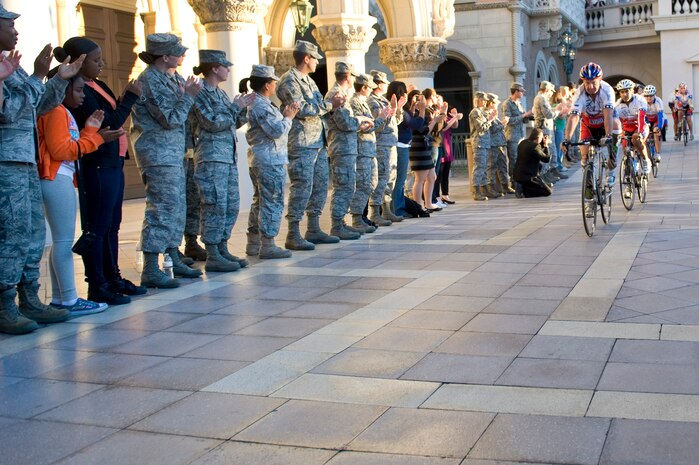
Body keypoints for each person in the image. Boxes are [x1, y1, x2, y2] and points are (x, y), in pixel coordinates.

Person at [0, 4, 86, 334]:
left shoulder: (13, 67)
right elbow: (7, 112)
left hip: (23, 162)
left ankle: (29, 297)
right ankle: (5, 303)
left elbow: (38, 107)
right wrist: (39, 78)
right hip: (6, 162)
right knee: (12, 235)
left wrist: (52, 81)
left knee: (34, 233)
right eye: (9, 25)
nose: (16, 31)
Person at [62, 37, 145, 305]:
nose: (102, 64)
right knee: (97, 227)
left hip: (115, 159)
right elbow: (107, 123)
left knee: (112, 225)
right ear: (80, 62)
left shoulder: (98, 84)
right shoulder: (77, 88)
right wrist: (130, 98)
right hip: (97, 161)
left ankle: (114, 278)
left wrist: (122, 100)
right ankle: (97, 284)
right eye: (96, 61)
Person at [37, 72, 116, 316]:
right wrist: (96, 138)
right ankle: (70, 299)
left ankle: (63, 298)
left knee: (60, 242)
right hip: (55, 177)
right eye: (79, 90)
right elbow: (62, 150)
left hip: (58, 177)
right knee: (62, 242)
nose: (83, 95)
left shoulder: (62, 112)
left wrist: (90, 132)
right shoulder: (56, 111)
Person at [131, 33, 202, 289]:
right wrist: (188, 96)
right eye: (178, 51)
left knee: (176, 206)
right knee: (161, 208)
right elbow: (170, 118)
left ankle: (173, 256)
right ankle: (151, 266)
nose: (183, 54)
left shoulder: (172, 78)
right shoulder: (150, 80)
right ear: (164, 56)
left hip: (174, 153)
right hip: (157, 154)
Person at [190, 50, 255, 272]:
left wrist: (243, 107)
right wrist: (235, 108)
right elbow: (212, 122)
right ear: (215, 68)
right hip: (211, 157)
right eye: (225, 66)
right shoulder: (200, 93)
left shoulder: (219, 93)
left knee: (230, 204)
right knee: (214, 204)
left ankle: (222, 246)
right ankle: (213, 252)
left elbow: (231, 122)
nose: (228, 69)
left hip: (226, 156)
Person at [276, 40, 343, 250]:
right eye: (315, 58)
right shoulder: (289, 81)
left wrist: (326, 106)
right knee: (302, 186)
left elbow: (316, 106)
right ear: (307, 58)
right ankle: (293, 232)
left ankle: (313, 228)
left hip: (317, 141)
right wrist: (330, 105)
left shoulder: (310, 81)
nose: (317, 62)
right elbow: (303, 109)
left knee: (320, 185)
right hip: (301, 143)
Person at [245, 65, 300, 259]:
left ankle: (253, 242)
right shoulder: (260, 105)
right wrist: (288, 117)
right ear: (267, 84)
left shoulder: (262, 103)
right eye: (274, 82)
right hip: (269, 159)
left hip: (263, 158)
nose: (276, 85)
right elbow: (276, 131)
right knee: (272, 200)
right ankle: (267, 244)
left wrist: (284, 116)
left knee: (260, 201)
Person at [325, 62, 373, 239]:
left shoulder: (342, 94)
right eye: (353, 76)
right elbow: (345, 123)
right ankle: (337, 225)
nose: (354, 80)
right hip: (342, 147)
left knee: (347, 186)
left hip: (347, 147)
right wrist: (361, 121)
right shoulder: (336, 95)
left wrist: (358, 122)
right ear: (348, 77)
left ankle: (341, 223)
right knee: (343, 186)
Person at [349, 73, 393, 231]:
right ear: (364, 88)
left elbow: (371, 124)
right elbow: (366, 126)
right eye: (369, 87)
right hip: (363, 148)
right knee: (364, 183)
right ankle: (357, 217)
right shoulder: (355, 102)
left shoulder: (362, 102)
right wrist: (380, 118)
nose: (371, 90)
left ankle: (366, 215)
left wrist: (378, 119)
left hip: (370, 147)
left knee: (371, 182)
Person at [562, 63, 616, 179]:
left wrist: (608, 136)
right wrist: (567, 139)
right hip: (588, 124)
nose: (590, 86)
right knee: (585, 155)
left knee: (614, 133)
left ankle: (611, 167)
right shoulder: (579, 93)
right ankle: (588, 180)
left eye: (594, 83)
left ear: (600, 79)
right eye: (587, 83)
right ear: (583, 81)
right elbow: (574, 117)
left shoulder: (607, 90)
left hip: (604, 122)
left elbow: (608, 115)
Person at [368, 70, 405, 224]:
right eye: (384, 83)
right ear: (378, 84)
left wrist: (398, 109)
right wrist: (392, 110)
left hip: (390, 142)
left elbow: (395, 122)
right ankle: (376, 212)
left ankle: (387, 210)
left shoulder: (383, 101)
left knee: (390, 177)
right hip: (381, 143)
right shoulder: (372, 102)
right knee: (381, 178)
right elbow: (379, 124)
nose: (386, 86)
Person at [533, 80, 567, 182]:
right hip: (544, 128)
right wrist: (557, 110)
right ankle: (545, 174)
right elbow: (548, 115)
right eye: (551, 91)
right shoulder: (541, 98)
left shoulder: (542, 98)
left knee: (550, 151)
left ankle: (550, 172)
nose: (552, 93)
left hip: (546, 128)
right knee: (547, 151)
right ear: (546, 89)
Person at [615, 79, 650, 174]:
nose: (625, 94)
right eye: (622, 92)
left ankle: (645, 159)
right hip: (626, 128)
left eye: (627, 91)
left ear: (632, 90)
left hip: (639, 126)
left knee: (636, 140)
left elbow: (641, 117)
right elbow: (616, 121)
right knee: (625, 149)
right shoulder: (617, 105)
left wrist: (638, 132)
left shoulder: (640, 100)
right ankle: (630, 167)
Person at [500, 82, 533, 185]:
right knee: (514, 159)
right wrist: (523, 116)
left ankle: (519, 179)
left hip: (520, 135)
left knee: (520, 158)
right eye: (521, 91)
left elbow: (523, 119)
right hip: (512, 136)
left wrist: (528, 116)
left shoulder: (519, 103)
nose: (523, 93)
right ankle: (513, 181)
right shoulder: (507, 103)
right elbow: (508, 120)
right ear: (516, 91)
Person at [469, 91, 495, 201]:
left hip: (485, 143)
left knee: (483, 167)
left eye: (485, 100)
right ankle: (476, 191)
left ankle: (484, 189)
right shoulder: (475, 112)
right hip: (479, 143)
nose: (485, 102)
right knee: (479, 167)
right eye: (483, 100)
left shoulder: (482, 112)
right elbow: (481, 128)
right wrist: (490, 120)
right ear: (478, 100)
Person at [513, 128, 553, 198]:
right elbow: (546, 159)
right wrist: (546, 145)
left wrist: (542, 144)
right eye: (541, 137)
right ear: (538, 138)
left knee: (539, 166)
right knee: (547, 192)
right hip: (528, 177)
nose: (542, 139)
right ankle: (524, 190)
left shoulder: (523, 143)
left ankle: (522, 186)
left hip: (518, 175)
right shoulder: (534, 147)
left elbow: (537, 152)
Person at [485, 93, 511, 196]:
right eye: (495, 103)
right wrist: (503, 124)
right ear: (491, 103)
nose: (497, 105)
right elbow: (492, 129)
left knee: (503, 166)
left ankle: (505, 186)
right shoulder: (487, 114)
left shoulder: (493, 113)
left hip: (500, 143)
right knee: (492, 167)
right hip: (493, 144)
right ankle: (490, 188)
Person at [552, 86, 572, 175]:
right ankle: (558, 165)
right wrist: (566, 110)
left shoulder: (560, 105)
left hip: (561, 127)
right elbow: (561, 116)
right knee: (558, 147)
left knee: (561, 147)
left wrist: (566, 109)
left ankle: (560, 164)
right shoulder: (556, 105)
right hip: (558, 128)